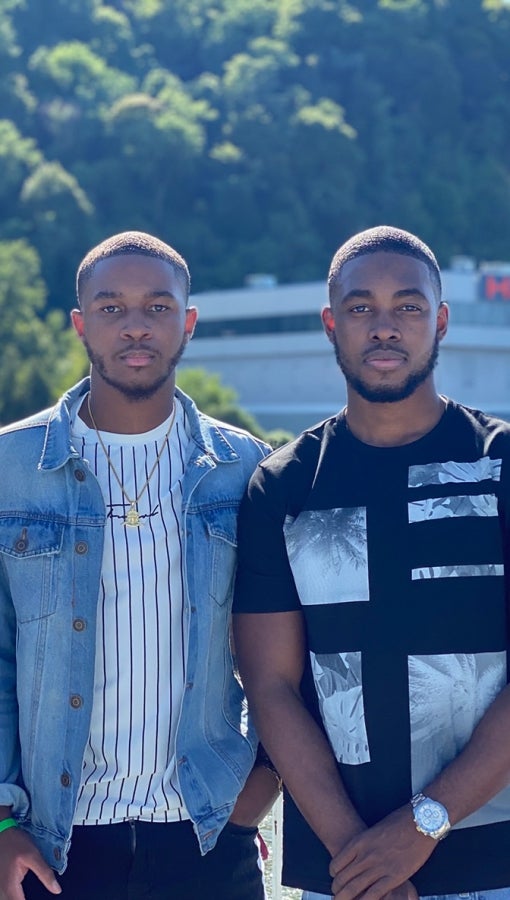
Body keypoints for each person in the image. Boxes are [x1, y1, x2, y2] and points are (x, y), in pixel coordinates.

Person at [233, 225, 510, 900]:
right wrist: (359, 859)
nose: (384, 327)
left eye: (408, 306)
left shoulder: (499, 466)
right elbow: (270, 685)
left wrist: (419, 828)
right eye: (361, 308)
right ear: (332, 323)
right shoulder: (284, 486)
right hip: (343, 876)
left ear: (440, 320)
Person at [0, 231, 279, 900]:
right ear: (80, 325)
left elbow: (288, 651)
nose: (135, 327)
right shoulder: (11, 469)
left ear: (187, 321)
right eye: (111, 307)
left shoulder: (247, 469)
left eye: (157, 308)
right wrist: (3, 819)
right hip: (50, 848)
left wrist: (261, 783)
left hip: (207, 836)